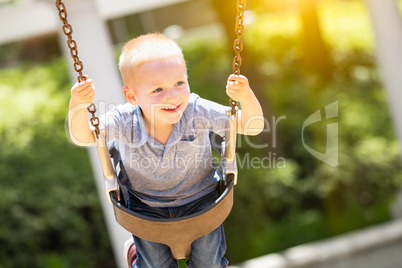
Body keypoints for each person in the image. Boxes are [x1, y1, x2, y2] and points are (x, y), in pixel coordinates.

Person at [68, 33, 264, 268]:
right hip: (145, 207)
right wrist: (78, 105)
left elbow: (252, 126)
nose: (173, 96)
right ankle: (135, 254)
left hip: (201, 200)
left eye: (179, 83)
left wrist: (245, 96)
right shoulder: (123, 121)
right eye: (158, 90)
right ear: (132, 96)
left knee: (209, 263)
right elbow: (83, 137)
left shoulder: (196, 110)